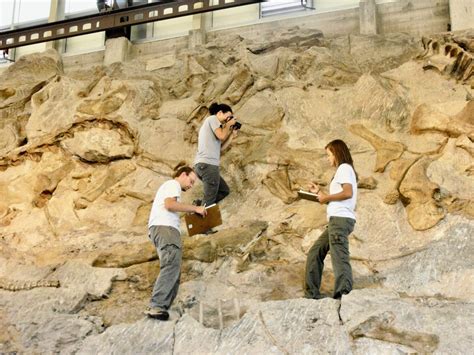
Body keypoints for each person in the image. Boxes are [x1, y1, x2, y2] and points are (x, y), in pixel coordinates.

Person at [145, 163, 207, 320]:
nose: (191, 185)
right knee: (171, 264)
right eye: (191, 181)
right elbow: (170, 205)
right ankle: (157, 305)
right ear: (183, 174)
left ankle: (162, 308)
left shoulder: (170, 187)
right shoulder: (173, 184)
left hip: (163, 229)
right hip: (165, 229)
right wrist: (195, 208)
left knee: (174, 268)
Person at [304, 139, 358, 300]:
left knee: (339, 255)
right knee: (315, 253)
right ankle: (311, 294)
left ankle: (344, 294)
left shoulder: (344, 168)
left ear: (336, 153)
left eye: (328, 155)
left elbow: (347, 193)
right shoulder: (344, 170)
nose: (328, 159)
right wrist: (319, 193)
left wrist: (326, 196)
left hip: (340, 220)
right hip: (336, 220)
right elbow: (337, 197)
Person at [194, 103, 238, 208]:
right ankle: (200, 220)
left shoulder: (215, 126)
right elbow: (222, 136)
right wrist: (228, 125)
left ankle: (199, 204)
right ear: (219, 113)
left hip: (205, 165)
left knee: (224, 190)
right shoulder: (212, 119)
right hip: (207, 165)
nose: (229, 119)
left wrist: (232, 135)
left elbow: (220, 148)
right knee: (208, 204)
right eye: (229, 116)